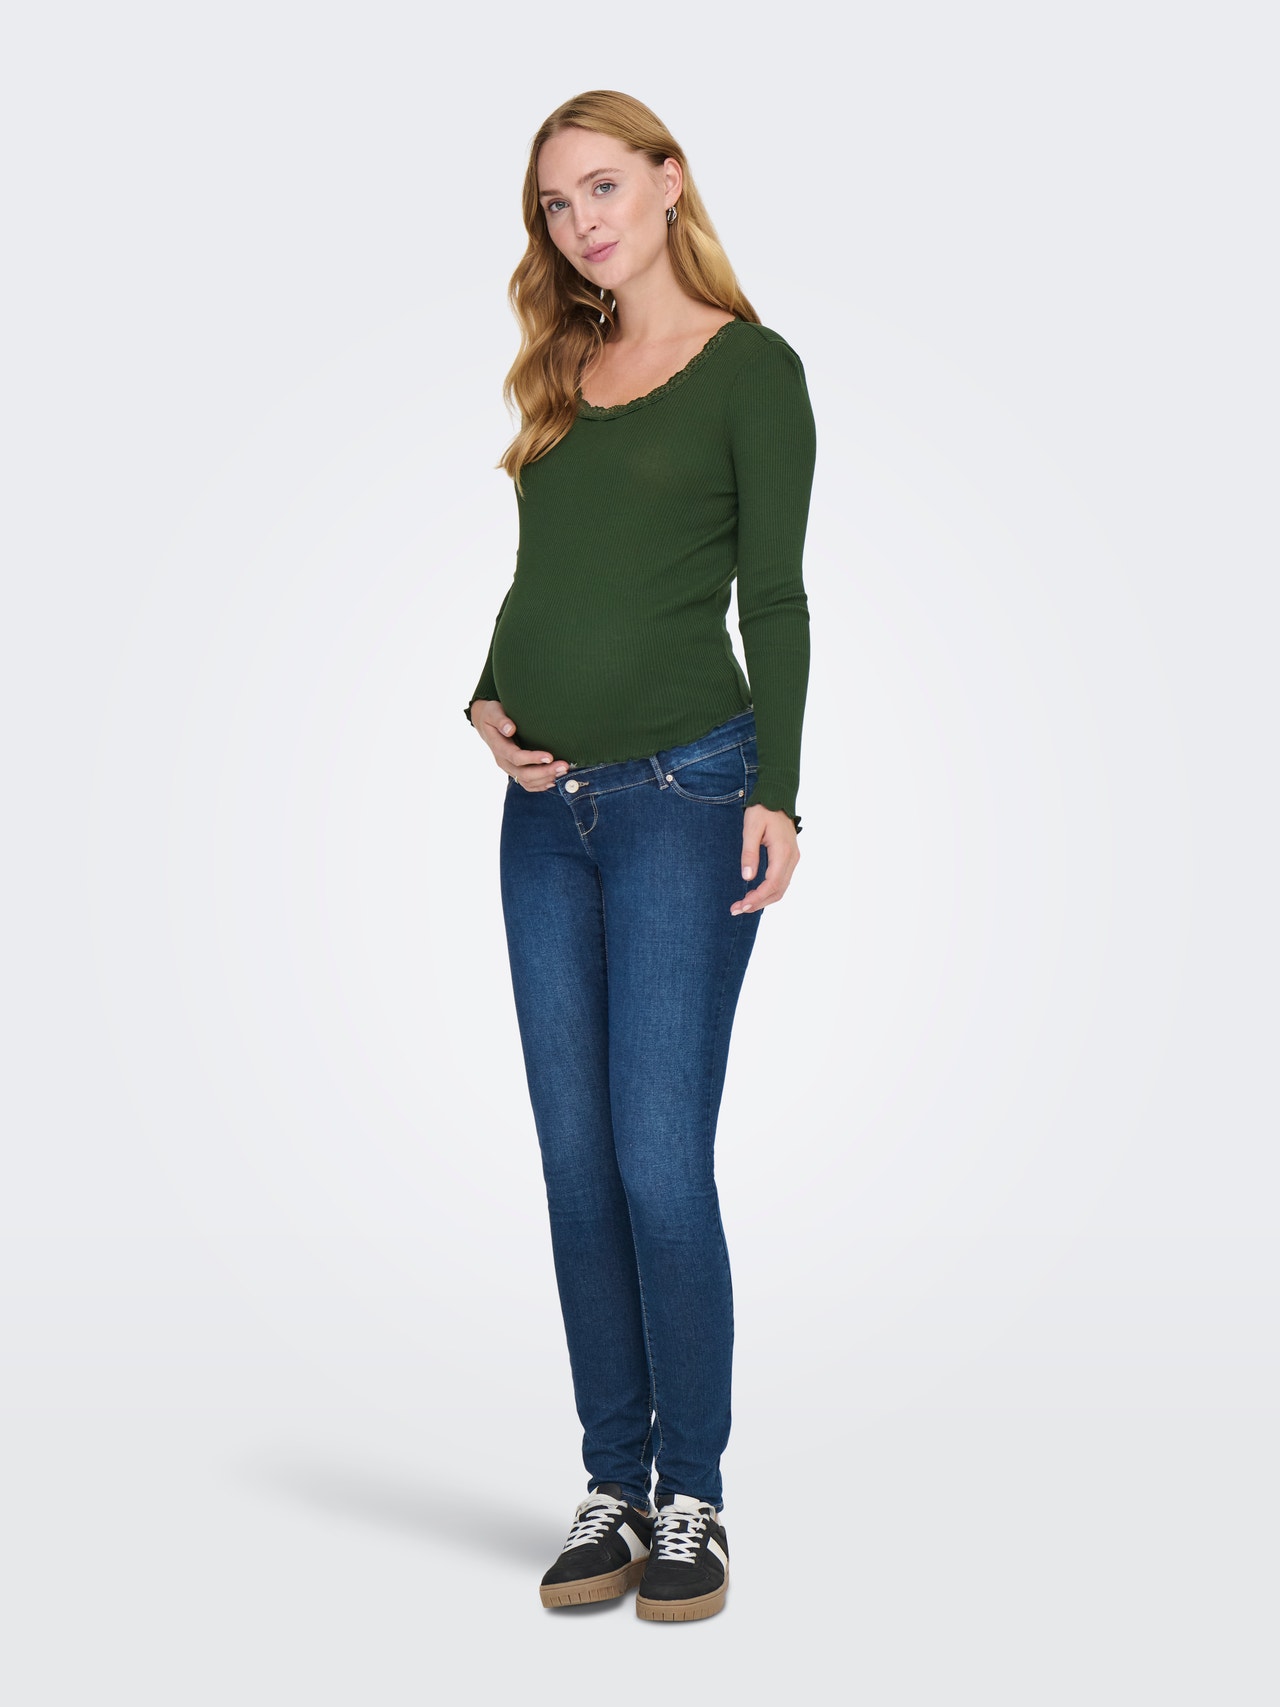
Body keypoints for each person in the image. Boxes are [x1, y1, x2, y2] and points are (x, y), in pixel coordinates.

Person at [463, 89, 817, 1623]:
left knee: (659, 1160)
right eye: (557, 204)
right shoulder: (566, 368)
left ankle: (696, 1500)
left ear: (671, 183)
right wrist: (487, 697)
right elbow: (545, 573)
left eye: (603, 186)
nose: (582, 222)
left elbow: (776, 597)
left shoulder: (753, 371)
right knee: (575, 1163)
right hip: (545, 814)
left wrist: (781, 792)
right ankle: (612, 1482)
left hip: (687, 792)